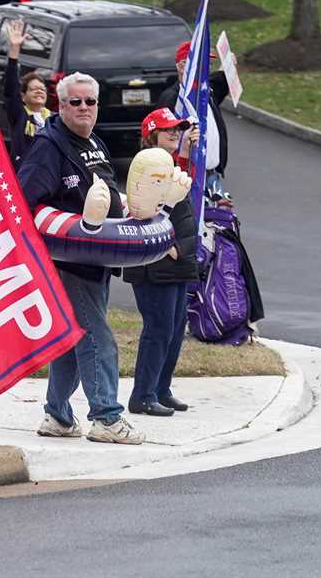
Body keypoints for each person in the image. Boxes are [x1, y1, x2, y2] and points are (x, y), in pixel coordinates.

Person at [17, 72, 144, 445]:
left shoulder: (95, 143)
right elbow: (24, 198)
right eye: (76, 102)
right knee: (97, 338)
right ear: (61, 104)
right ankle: (106, 417)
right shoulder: (49, 147)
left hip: (97, 261)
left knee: (75, 340)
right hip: (67, 263)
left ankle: (57, 415)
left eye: (90, 101)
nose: (84, 108)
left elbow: (107, 192)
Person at [124, 108, 199, 417]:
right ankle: (142, 394)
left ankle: (161, 388)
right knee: (158, 328)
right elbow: (139, 210)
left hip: (179, 260)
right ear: (151, 134)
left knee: (175, 327)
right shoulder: (146, 169)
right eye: (167, 129)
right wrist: (164, 245)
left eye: (177, 128)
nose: (174, 132)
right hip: (155, 261)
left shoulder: (171, 165)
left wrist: (185, 152)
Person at [159, 40, 230, 195]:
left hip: (212, 176)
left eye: (208, 65)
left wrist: (229, 65)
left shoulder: (206, 91)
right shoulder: (173, 99)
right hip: (188, 178)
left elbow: (221, 82)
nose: (207, 70)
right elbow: (163, 142)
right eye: (202, 64)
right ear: (182, 66)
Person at [3, 19, 52, 163]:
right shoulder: (19, 115)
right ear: (23, 96)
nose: (39, 92)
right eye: (34, 89)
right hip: (25, 174)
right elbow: (11, 89)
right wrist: (14, 51)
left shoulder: (54, 120)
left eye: (42, 89)